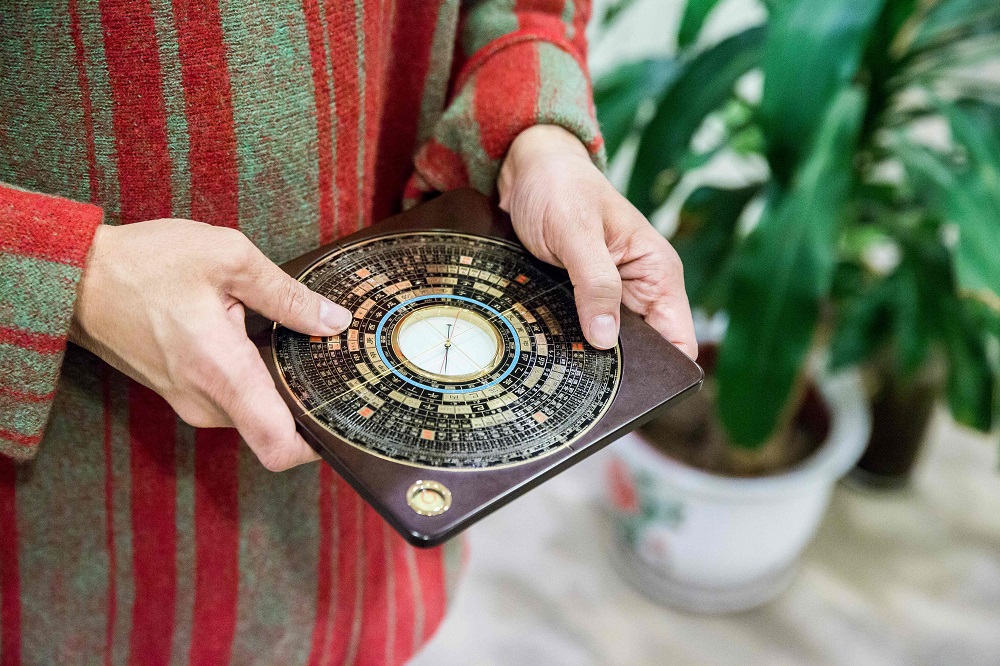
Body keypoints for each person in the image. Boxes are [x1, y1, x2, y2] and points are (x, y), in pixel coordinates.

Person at [0, 1, 696, 663]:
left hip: (374, 539)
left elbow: (529, 10)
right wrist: (74, 274)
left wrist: (535, 133)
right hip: (79, 541)